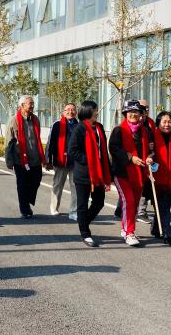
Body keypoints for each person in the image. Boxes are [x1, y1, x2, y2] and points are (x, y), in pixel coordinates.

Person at [109, 99, 154, 247]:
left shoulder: (145, 131)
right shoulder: (118, 130)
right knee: (128, 201)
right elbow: (114, 149)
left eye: (136, 111)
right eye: (130, 112)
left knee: (133, 203)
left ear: (141, 114)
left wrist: (149, 157)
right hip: (122, 173)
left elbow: (151, 150)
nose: (133, 114)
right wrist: (130, 157)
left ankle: (125, 228)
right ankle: (130, 233)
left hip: (139, 173)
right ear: (125, 114)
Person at [68, 101, 111, 247]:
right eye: (95, 110)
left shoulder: (99, 127)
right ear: (87, 111)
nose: (97, 112)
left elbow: (103, 151)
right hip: (84, 174)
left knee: (99, 202)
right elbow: (73, 150)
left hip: (98, 172)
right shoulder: (79, 128)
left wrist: (108, 170)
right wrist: (89, 160)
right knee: (82, 204)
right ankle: (85, 233)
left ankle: (83, 222)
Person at [5, 95, 46, 218]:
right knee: (22, 185)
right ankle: (25, 209)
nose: (32, 105)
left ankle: (27, 200)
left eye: (33, 103)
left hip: (35, 158)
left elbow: (37, 138)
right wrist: (9, 160)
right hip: (20, 159)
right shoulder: (14, 120)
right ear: (22, 105)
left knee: (36, 180)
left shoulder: (36, 119)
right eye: (30, 103)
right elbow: (8, 141)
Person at [150, 111, 171, 246]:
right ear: (158, 123)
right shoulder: (152, 136)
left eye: (170, 122)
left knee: (164, 206)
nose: (167, 124)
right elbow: (146, 152)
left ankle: (156, 228)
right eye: (164, 122)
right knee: (162, 206)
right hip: (156, 178)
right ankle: (168, 233)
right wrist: (149, 156)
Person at [46, 103, 78, 219]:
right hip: (60, 160)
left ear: (76, 112)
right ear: (63, 112)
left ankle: (74, 211)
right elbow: (50, 143)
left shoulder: (79, 125)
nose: (70, 112)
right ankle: (54, 207)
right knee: (58, 185)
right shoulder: (57, 125)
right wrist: (48, 160)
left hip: (75, 161)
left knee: (75, 187)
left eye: (73, 109)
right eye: (67, 110)